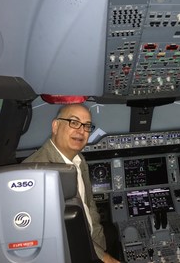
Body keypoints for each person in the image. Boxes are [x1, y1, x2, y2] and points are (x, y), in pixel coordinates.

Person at [23, 104, 120, 263]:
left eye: (87, 126)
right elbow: (60, 232)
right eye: (74, 122)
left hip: (92, 238)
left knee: (112, 232)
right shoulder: (36, 172)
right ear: (55, 126)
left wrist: (98, 235)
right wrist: (104, 257)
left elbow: (89, 203)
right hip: (70, 251)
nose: (81, 131)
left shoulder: (79, 160)